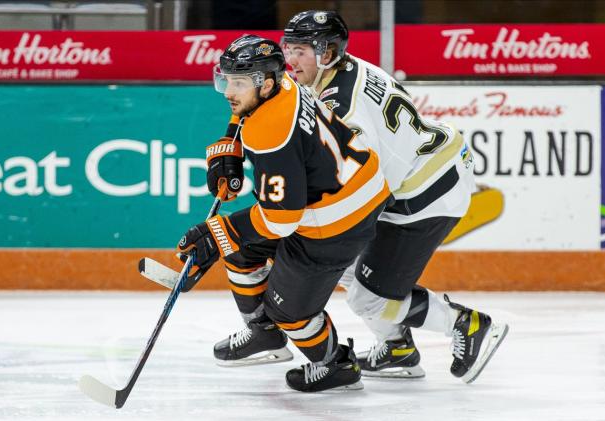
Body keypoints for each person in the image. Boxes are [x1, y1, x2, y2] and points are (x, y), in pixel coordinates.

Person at [280, 10, 509, 383]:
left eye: (301, 50)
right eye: (289, 48)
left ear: (328, 52)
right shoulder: (345, 69)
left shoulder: (343, 108)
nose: (291, 59)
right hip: (426, 174)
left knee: (366, 297)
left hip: (427, 193)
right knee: (351, 269)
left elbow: (360, 182)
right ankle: (397, 350)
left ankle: (465, 324)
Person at [177, 34, 392, 392]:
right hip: (348, 189)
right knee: (241, 248)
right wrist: (230, 144)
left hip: (339, 219)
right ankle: (264, 333)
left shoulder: (272, 129)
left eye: (239, 83)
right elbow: (242, 112)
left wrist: (218, 232)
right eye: (226, 80)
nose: (229, 91)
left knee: (290, 312)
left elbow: (282, 219)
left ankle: (336, 364)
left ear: (266, 83)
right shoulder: (281, 86)